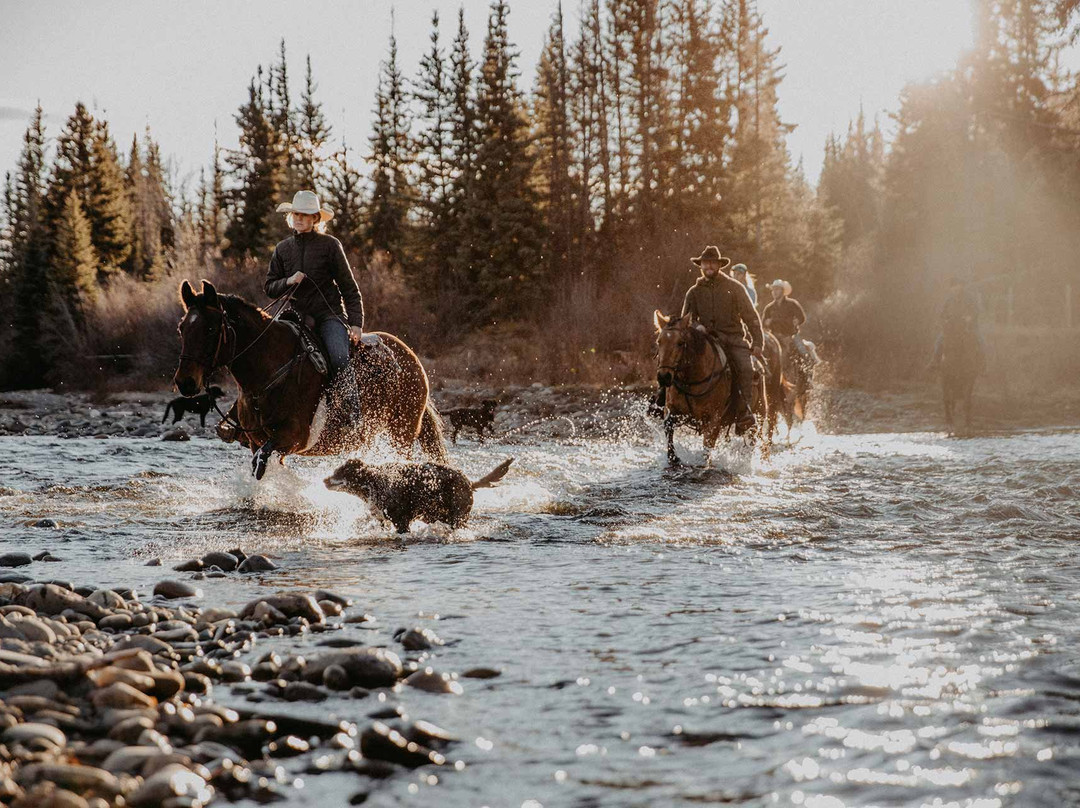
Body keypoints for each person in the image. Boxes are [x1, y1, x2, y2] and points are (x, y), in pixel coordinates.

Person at [265, 190, 365, 422]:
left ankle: (351, 413)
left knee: (338, 357)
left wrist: (356, 323)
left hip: (329, 315)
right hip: (296, 316)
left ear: (315, 218)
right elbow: (269, 287)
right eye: (296, 214)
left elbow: (349, 287)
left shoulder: (330, 245)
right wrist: (288, 281)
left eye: (304, 214)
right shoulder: (282, 248)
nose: (299, 218)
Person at [651, 246, 763, 433]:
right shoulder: (693, 292)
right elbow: (685, 322)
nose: (709, 266)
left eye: (712, 263)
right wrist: (697, 327)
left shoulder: (735, 288)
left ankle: (744, 412)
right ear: (701, 266)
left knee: (745, 368)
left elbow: (751, 317)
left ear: (719, 265)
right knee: (674, 360)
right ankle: (662, 401)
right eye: (705, 263)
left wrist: (758, 342)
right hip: (704, 340)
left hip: (732, 339)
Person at [928, 277, 984, 370]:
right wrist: (944, 320)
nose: (955, 288)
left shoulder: (969, 298)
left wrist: (970, 317)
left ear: (961, 286)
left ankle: (983, 366)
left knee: (980, 340)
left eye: (957, 286)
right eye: (953, 286)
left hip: (968, 326)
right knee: (939, 340)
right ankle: (935, 361)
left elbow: (976, 311)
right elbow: (943, 313)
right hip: (952, 326)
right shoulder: (949, 300)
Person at [761, 280, 810, 358]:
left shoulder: (792, 304)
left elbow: (802, 317)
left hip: (790, 335)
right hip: (774, 337)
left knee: (802, 351)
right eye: (773, 290)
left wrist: (797, 321)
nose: (774, 292)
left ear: (783, 291)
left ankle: (807, 363)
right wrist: (766, 323)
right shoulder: (769, 308)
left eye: (777, 289)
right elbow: (763, 324)